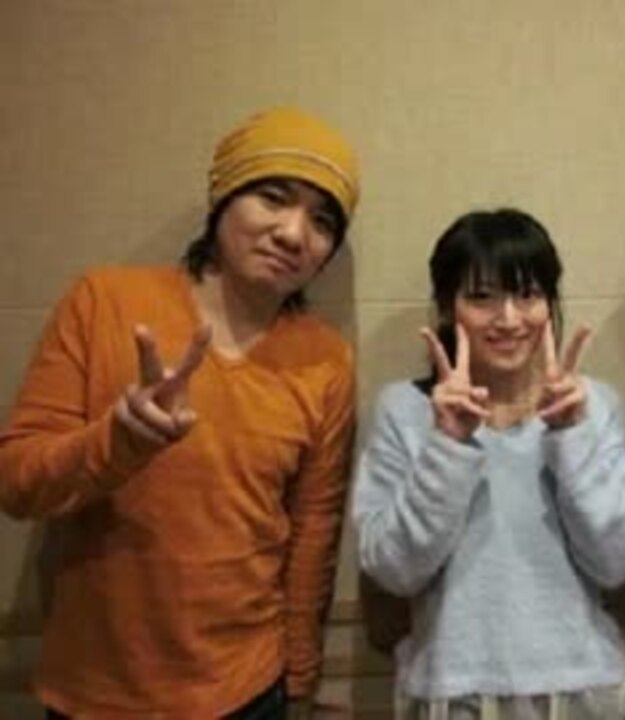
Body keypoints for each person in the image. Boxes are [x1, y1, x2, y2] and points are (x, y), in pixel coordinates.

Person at [0, 107, 360, 718]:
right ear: (223, 198)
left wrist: (300, 677)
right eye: (273, 198)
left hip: (249, 689)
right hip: (96, 690)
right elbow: (16, 484)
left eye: (323, 221)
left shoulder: (326, 360)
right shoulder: (104, 302)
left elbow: (312, 532)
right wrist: (117, 441)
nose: (294, 234)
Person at [352, 208, 625, 719]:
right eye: (482, 297)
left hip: (586, 691)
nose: (510, 319)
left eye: (528, 294)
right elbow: (393, 570)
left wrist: (571, 436)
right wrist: (447, 445)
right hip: (455, 695)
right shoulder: (404, 410)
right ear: (447, 307)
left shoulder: (594, 406)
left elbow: (617, 561)